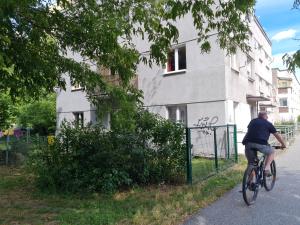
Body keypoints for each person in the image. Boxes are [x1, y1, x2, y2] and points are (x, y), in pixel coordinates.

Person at [242, 111, 286, 175]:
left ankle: (250, 183)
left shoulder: (252, 121)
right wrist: (283, 144)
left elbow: (249, 132)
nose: (267, 117)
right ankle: (266, 169)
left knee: (252, 164)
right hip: (261, 143)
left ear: (258, 116)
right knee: (271, 151)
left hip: (248, 143)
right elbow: (277, 136)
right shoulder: (268, 124)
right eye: (267, 116)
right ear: (266, 116)